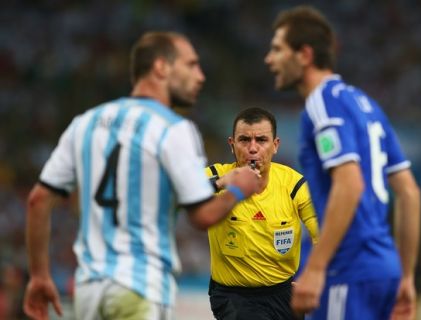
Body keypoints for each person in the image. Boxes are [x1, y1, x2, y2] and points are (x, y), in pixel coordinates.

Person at [23, 31, 261, 320]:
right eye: (191, 64)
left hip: (88, 291)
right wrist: (238, 188)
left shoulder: (85, 124)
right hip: (140, 287)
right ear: (161, 67)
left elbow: (38, 200)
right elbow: (203, 216)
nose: (200, 76)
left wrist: (38, 275)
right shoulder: (172, 129)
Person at [265, 6, 421, 320]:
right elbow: (408, 193)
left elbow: (349, 183)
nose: (269, 59)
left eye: (278, 49)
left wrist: (316, 267)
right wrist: (405, 276)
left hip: (346, 268)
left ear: (304, 55)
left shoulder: (322, 102)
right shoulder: (366, 105)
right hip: (383, 270)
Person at [206, 107, 318, 320]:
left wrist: (315, 276)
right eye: (244, 140)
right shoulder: (217, 176)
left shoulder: (293, 185)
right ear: (232, 145)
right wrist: (221, 183)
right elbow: (179, 194)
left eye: (262, 140)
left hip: (284, 293)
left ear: (275, 145)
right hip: (233, 295)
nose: (253, 148)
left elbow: (323, 232)